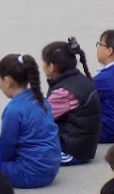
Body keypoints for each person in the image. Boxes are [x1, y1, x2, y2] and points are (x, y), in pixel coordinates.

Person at [0, 54, 61, 188]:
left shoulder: (13, 110)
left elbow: (6, 150)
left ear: (7, 81)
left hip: (29, 174)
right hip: (51, 168)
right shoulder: (41, 100)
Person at [42, 38, 101, 166]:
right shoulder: (77, 80)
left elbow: (41, 117)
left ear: (51, 67)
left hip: (72, 151)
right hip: (82, 144)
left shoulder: (65, 92)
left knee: (27, 154)